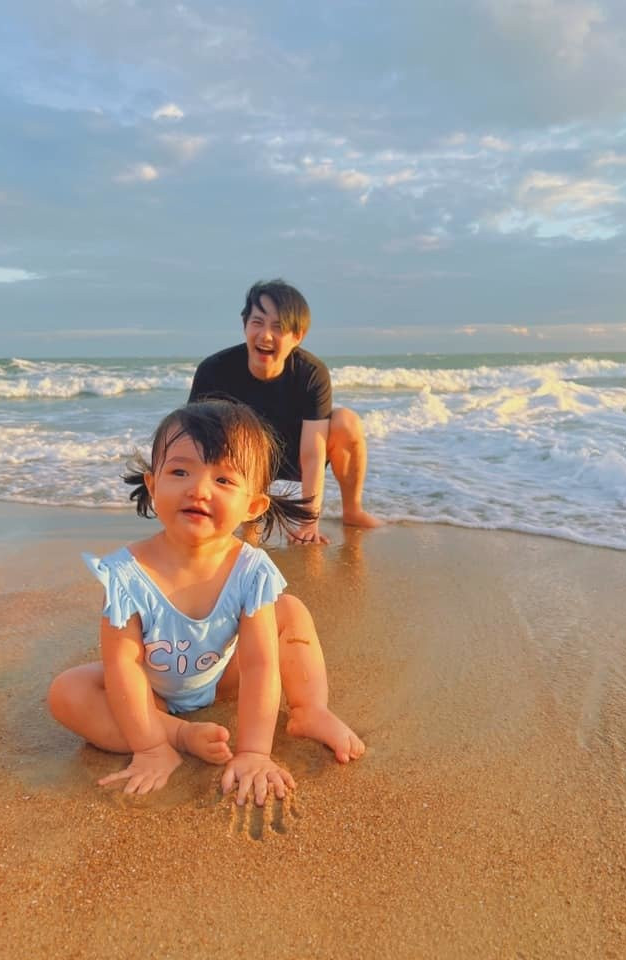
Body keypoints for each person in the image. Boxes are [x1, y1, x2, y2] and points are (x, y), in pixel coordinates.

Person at [48, 399, 364, 805]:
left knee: (290, 611)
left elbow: (258, 664)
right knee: (67, 692)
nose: (198, 489)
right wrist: (149, 747)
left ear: (253, 506)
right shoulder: (126, 573)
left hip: (221, 677)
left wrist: (253, 753)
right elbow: (122, 666)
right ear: (152, 485)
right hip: (151, 690)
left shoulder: (250, 570)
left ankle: (310, 709)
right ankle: (176, 734)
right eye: (180, 471)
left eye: (224, 481)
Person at [188, 278, 383, 544]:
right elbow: (196, 443)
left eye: (278, 327)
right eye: (257, 322)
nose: (265, 335)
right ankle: (246, 513)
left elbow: (313, 453)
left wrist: (308, 521)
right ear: (244, 324)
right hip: (244, 459)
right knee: (218, 432)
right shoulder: (214, 370)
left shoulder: (311, 373)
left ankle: (352, 511)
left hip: (296, 455)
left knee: (346, 422)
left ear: (297, 336)